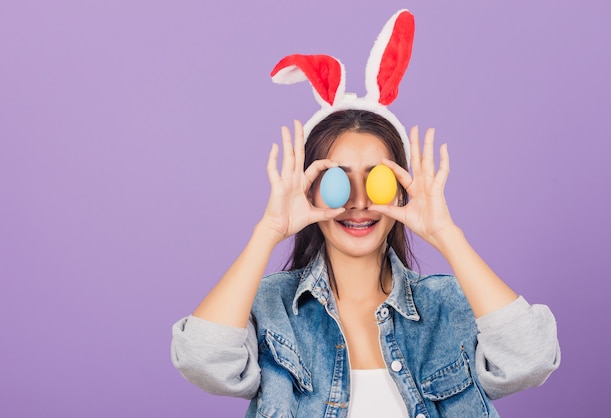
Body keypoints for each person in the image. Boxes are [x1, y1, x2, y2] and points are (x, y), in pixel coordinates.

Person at [171, 10, 560, 418]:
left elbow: (530, 362)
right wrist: (268, 230)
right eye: (338, 178)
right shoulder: (273, 309)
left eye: (377, 178)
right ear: (310, 188)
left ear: (401, 186)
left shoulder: (448, 307)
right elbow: (203, 362)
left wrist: (447, 234)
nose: (358, 201)